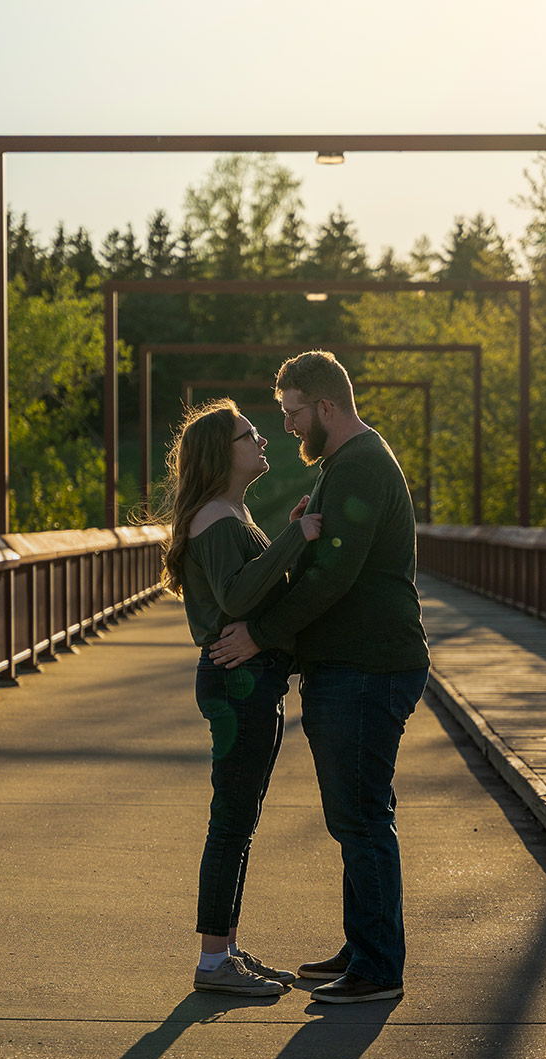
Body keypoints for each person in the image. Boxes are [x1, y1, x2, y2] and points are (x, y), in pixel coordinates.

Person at [209, 352, 430, 1004]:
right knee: (355, 815)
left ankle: (378, 966)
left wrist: (261, 633)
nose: (287, 426)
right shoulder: (348, 463)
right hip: (357, 665)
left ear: (326, 407)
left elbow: (333, 576)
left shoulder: (359, 465)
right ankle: (364, 943)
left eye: (293, 412)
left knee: (360, 817)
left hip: (369, 667)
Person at [161, 398, 322, 998]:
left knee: (239, 821)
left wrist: (288, 537)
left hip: (248, 681)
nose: (263, 441)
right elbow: (237, 597)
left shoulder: (228, 513)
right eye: (249, 435)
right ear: (219, 454)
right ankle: (212, 960)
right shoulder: (216, 518)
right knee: (231, 822)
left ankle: (224, 949)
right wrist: (294, 537)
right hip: (239, 684)